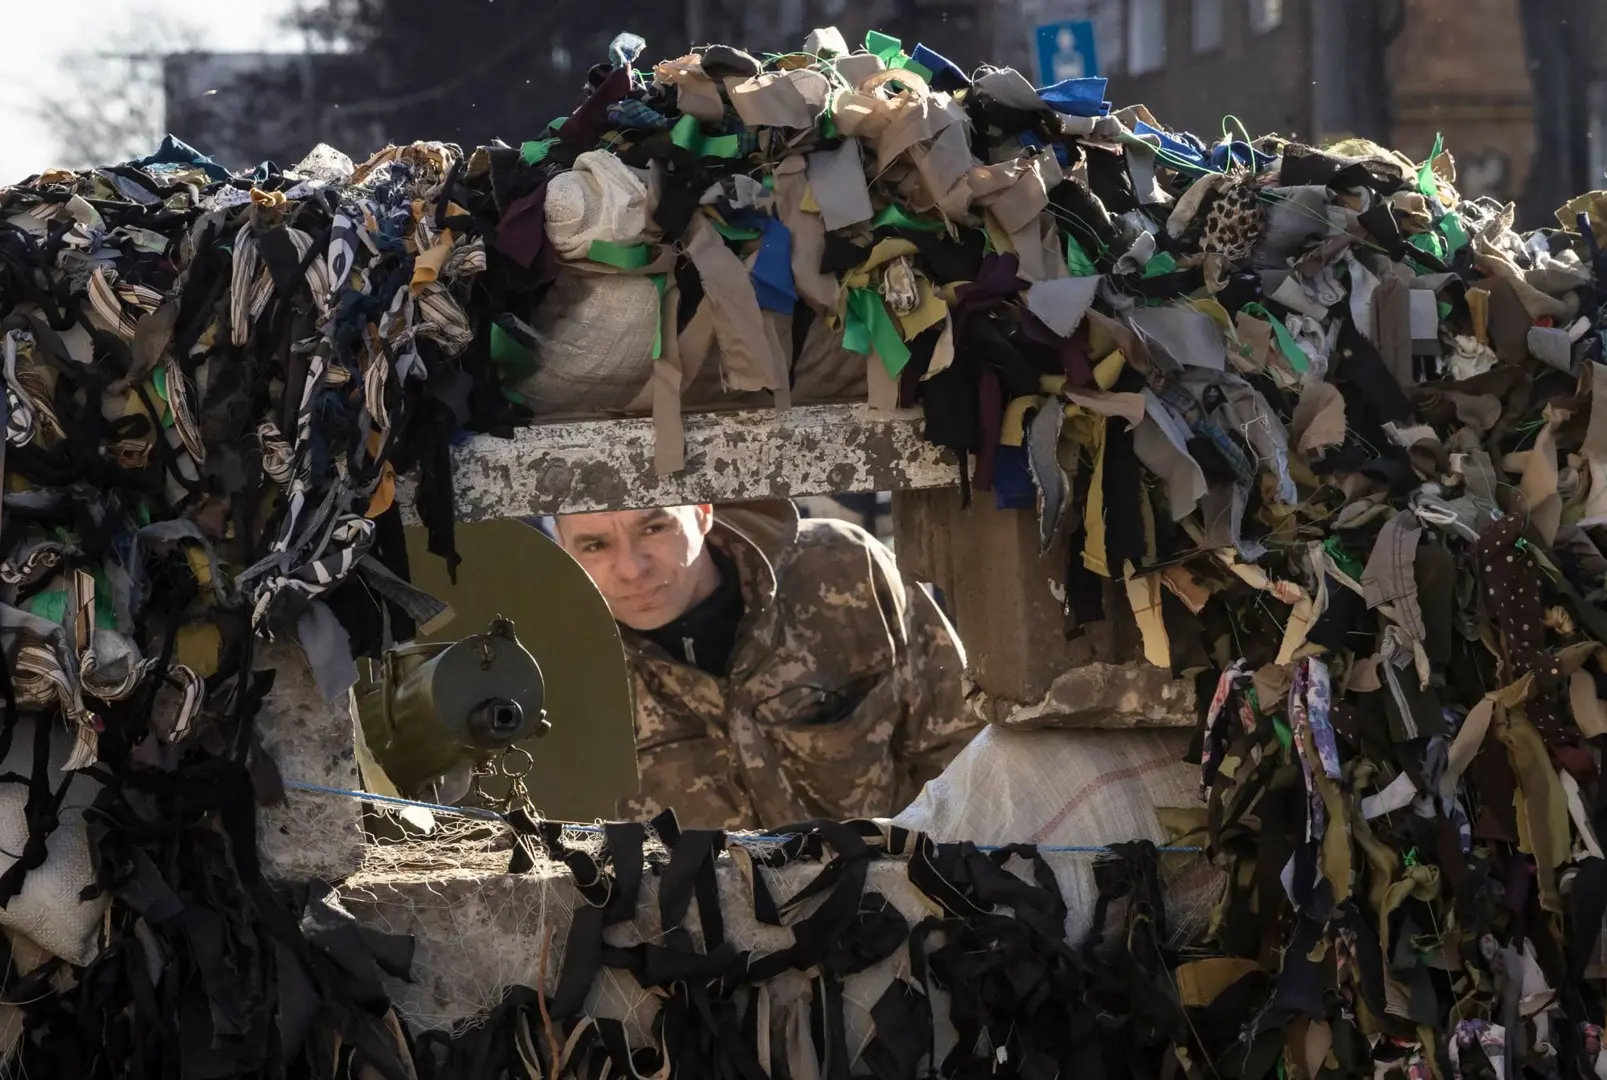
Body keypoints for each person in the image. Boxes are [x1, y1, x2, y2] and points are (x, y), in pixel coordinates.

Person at [551, 500, 980, 830]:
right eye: (595, 545)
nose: (631, 568)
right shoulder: (556, 670)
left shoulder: (843, 568)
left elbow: (965, 760)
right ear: (561, 548)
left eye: (655, 526)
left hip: (893, 915)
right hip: (693, 941)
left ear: (702, 512)